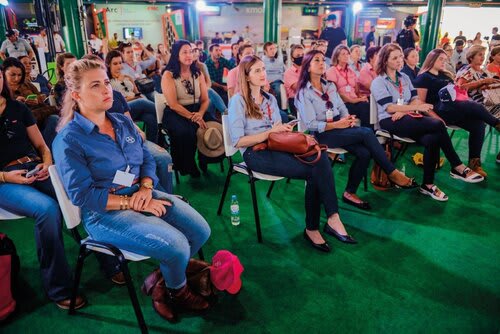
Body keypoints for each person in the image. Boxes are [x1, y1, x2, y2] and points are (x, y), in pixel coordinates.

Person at [52, 58, 211, 320]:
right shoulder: (69, 139)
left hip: (141, 192)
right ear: (76, 94)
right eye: (96, 85)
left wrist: (146, 188)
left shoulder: (121, 122)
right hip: (104, 214)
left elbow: (146, 158)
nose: (107, 90)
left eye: (106, 82)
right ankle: (176, 292)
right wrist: (133, 203)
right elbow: (82, 195)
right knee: (177, 245)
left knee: (200, 231)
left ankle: (160, 282)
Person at [229, 54, 356, 252]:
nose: (264, 73)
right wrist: (270, 132)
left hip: (276, 147)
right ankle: (316, 226)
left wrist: (282, 129)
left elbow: (275, 129)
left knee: (320, 156)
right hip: (255, 154)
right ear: (246, 77)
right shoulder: (238, 101)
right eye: (257, 71)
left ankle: (332, 218)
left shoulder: (270, 98)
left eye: (263, 69)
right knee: (314, 169)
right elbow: (238, 141)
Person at [0, 67, 86, 310]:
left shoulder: (18, 108)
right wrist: (6, 177)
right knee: (47, 209)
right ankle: (59, 288)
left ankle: (108, 257)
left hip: (35, 168)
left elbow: (42, 146)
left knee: (78, 190)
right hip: (4, 181)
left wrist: (47, 164)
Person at [295, 50, 417, 210]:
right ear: (308, 67)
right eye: (316, 61)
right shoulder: (304, 92)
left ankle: (349, 192)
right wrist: (337, 125)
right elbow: (310, 123)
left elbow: (341, 107)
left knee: (364, 153)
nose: (321, 63)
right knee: (366, 132)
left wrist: (348, 119)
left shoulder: (330, 86)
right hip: (321, 134)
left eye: (322, 60)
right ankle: (391, 172)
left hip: (339, 127)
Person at [371, 44, 483, 202]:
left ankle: (428, 185)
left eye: (400, 56)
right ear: (385, 60)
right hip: (389, 121)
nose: (399, 60)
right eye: (394, 58)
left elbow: (415, 98)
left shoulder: (404, 78)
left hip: (406, 116)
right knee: (437, 124)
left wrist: (406, 109)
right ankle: (457, 166)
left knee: (433, 139)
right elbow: (389, 108)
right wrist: (413, 108)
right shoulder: (379, 81)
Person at [414, 48, 500, 177]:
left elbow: (458, 92)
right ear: (431, 60)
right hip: (439, 109)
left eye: (445, 59)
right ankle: (497, 124)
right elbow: (420, 102)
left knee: (479, 124)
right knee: (473, 105)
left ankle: (474, 163)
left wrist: (481, 85)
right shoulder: (424, 77)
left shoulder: (446, 74)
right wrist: (436, 118)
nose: (444, 62)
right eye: (440, 59)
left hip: (454, 109)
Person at [161, 40, 216, 177]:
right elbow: (173, 104)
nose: (189, 55)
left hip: (197, 109)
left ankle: (206, 158)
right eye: (184, 52)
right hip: (176, 112)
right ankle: (188, 165)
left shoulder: (198, 74)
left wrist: (200, 114)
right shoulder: (169, 75)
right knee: (186, 132)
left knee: (213, 126)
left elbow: (205, 100)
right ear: (176, 55)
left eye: (191, 51)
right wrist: (193, 117)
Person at [2, 57, 58, 148]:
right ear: (3, 74)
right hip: (19, 123)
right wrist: (15, 103)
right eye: (12, 75)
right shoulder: (2, 92)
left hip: (38, 117)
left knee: (53, 119)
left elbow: (41, 100)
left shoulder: (27, 84)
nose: (16, 79)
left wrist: (37, 100)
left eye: (19, 75)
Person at [105, 50, 158, 143]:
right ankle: (165, 113)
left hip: (136, 105)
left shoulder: (127, 77)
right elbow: (118, 101)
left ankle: (153, 144)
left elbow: (137, 92)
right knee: (142, 102)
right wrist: (136, 98)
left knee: (151, 118)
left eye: (120, 63)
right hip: (122, 109)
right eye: (115, 63)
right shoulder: (108, 81)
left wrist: (138, 95)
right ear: (109, 64)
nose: (119, 66)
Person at [326, 45, 370, 127]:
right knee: (364, 107)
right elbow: (335, 93)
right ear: (337, 57)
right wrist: (354, 100)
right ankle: (366, 132)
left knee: (367, 104)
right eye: (343, 54)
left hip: (354, 101)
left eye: (347, 54)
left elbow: (357, 91)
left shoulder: (351, 71)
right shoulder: (332, 71)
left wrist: (361, 97)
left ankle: (368, 132)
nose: (346, 56)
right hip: (342, 103)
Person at [261, 42, 286, 109]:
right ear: (265, 51)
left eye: (274, 48)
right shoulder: (261, 61)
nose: (273, 50)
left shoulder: (279, 60)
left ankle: (279, 109)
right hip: (265, 82)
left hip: (278, 81)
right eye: (271, 49)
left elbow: (284, 71)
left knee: (278, 90)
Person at [284, 44, 304, 116]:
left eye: (303, 55)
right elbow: (298, 87)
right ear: (292, 58)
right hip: (296, 100)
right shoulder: (289, 72)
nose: (301, 57)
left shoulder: (308, 70)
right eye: (298, 56)